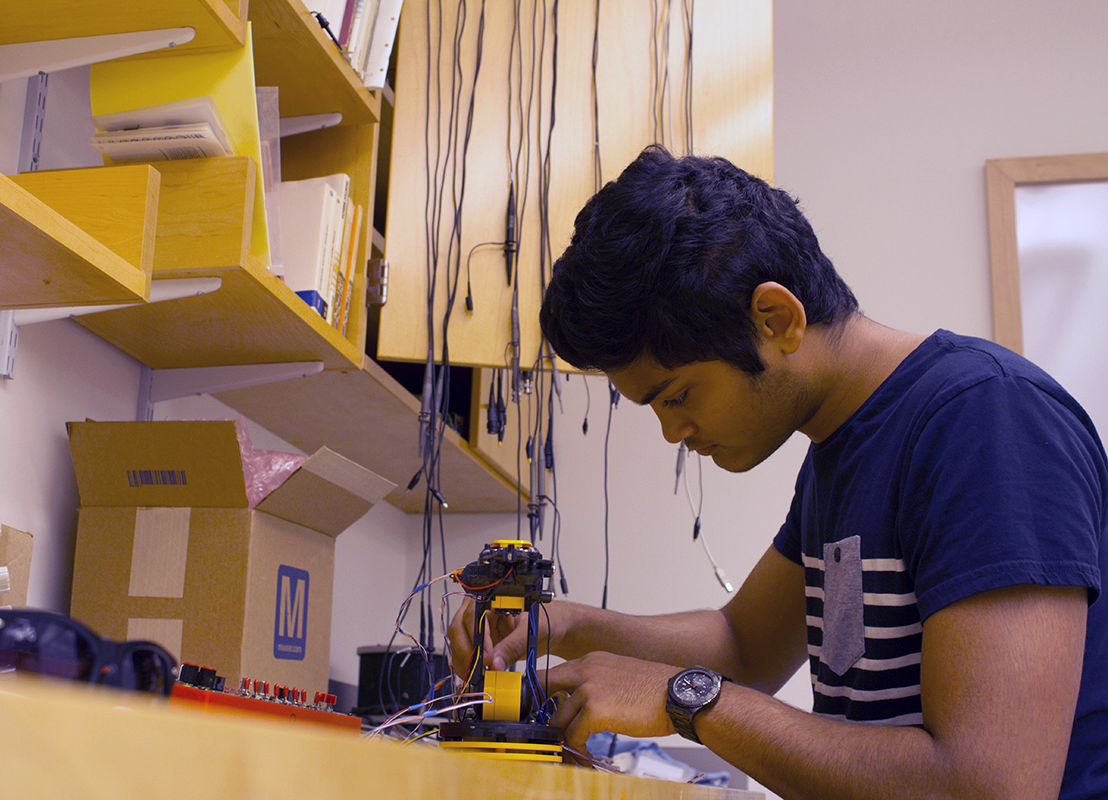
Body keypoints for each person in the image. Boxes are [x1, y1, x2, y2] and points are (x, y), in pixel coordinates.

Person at [448, 145, 1108, 799]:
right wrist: (562, 625)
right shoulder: (844, 449)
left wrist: (685, 700)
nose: (673, 433)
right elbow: (742, 647)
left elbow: (989, 787)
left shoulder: (986, 420)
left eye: (676, 396)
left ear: (777, 319)